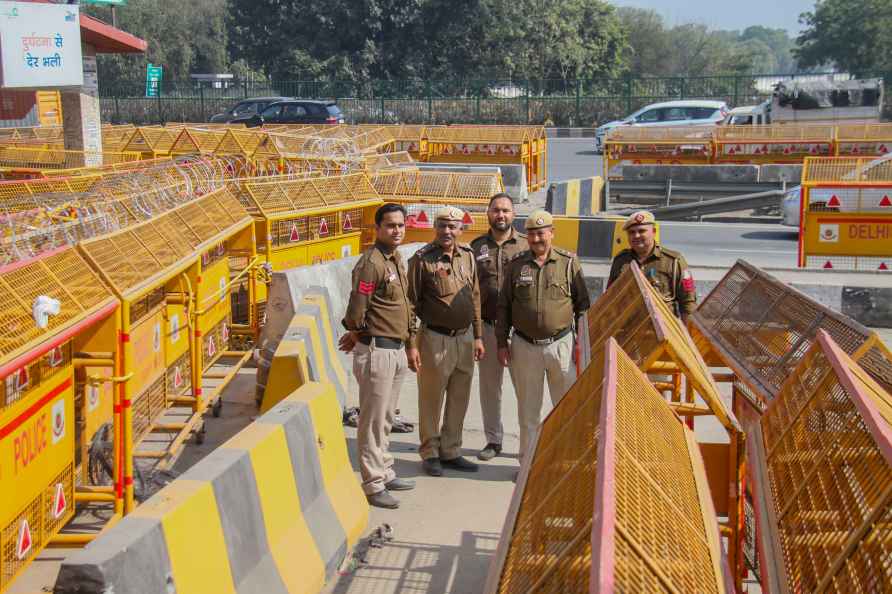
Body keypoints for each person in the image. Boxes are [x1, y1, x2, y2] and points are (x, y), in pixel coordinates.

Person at [340, 203, 416, 509]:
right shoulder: (371, 263)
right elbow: (358, 307)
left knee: (386, 417)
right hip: (377, 350)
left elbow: (404, 306)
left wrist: (410, 345)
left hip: (395, 349)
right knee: (372, 421)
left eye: (400, 225)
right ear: (378, 229)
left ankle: (385, 470)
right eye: (390, 225)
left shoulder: (395, 259)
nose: (396, 230)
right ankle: (373, 484)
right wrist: (356, 332)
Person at [497, 210, 590, 458]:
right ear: (526, 236)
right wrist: (501, 343)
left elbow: (583, 306)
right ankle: (528, 464)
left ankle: (564, 459)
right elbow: (504, 305)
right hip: (524, 346)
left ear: (552, 233)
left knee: (566, 407)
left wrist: (582, 343)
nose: (537, 239)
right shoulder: (516, 264)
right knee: (528, 412)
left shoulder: (569, 262)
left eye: (541, 233)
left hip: (561, 345)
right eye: (532, 234)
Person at [407, 206, 485, 477]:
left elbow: (474, 296)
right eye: (442, 225)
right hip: (434, 339)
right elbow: (410, 304)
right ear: (435, 228)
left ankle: (451, 450)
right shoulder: (421, 260)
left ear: (461, 230)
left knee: (459, 397)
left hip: (464, 339)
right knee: (431, 399)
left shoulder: (468, 256)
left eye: (453, 226)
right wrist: (412, 344)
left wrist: (477, 336)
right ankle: (429, 452)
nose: (447, 231)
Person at [469, 193, 528, 461]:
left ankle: (528, 445)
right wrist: (476, 333)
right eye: (495, 210)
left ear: (513, 214)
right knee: (490, 389)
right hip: (490, 329)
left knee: (526, 390)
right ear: (488, 214)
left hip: (520, 332)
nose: (500, 215)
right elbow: (471, 291)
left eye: (505, 210)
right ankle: (493, 440)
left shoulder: (527, 246)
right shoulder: (476, 247)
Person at [607, 210, 696, 323]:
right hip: (628, 330)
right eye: (631, 232)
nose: (636, 235)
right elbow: (610, 297)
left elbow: (688, 303)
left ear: (653, 232)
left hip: (664, 330)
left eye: (641, 231)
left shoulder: (673, 261)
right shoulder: (621, 261)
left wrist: (688, 335)